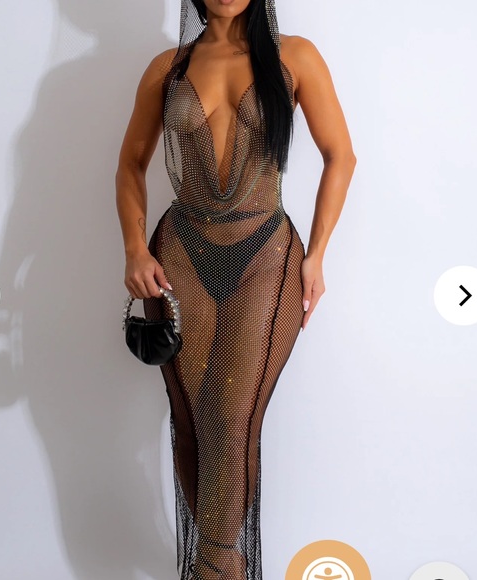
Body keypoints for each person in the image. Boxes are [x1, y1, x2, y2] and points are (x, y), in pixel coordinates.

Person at [115, 0, 356, 578]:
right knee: (192, 419)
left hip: (266, 254)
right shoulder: (167, 68)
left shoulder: (295, 56)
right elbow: (130, 164)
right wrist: (134, 249)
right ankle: (217, 564)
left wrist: (317, 254)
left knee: (232, 420)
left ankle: (216, 568)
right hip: (180, 251)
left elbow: (340, 156)